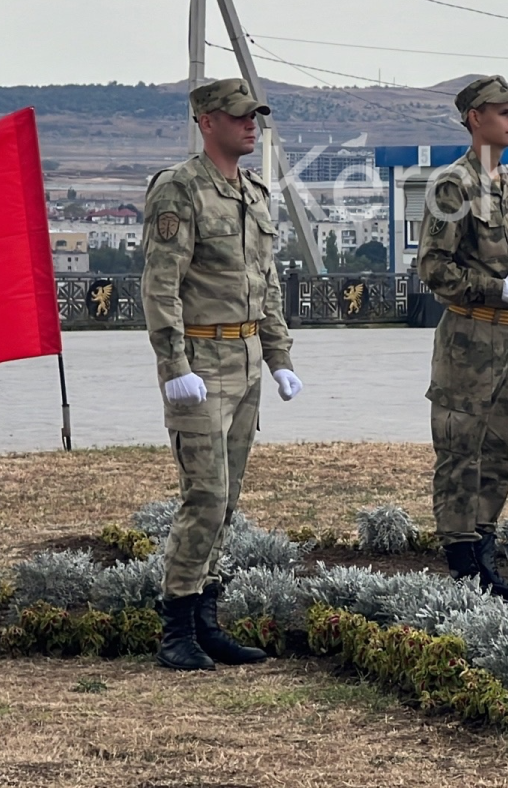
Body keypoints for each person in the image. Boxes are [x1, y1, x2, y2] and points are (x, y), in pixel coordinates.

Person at [141, 78, 304, 671]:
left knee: (229, 499)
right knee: (204, 496)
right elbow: (161, 287)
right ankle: (175, 627)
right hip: (202, 367)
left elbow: (269, 285)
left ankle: (207, 619)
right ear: (206, 121)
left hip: (246, 360)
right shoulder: (179, 190)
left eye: (253, 116)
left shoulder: (255, 192)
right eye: (238, 117)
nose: (249, 125)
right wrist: (174, 365)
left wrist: (280, 358)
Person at [416, 75, 508, 608]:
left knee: (497, 452)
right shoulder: (453, 186)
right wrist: (496, 289)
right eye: (503, 110)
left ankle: (486, 550)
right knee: (460, 450)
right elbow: (433, 268)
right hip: (467, 335)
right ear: (474, 117)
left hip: (507, 338)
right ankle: (463, 561)